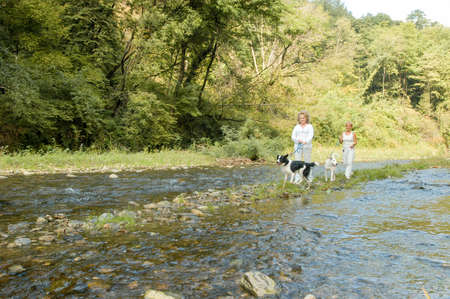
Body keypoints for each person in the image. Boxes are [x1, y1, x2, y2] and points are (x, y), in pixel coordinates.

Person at [291, 110, 314, 180]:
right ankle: (298, 178)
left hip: (307, 146)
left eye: (303, 118)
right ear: (299, 119)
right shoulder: (296, 127)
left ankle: (309, 177)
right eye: (300, 118)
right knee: (297, 162)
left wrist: (306, 141)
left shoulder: (310, 126)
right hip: (298, 146)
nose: (302, 119)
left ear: (306, 118)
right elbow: (293, 136)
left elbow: (311, 135)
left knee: (307, 162)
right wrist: (298, 141)